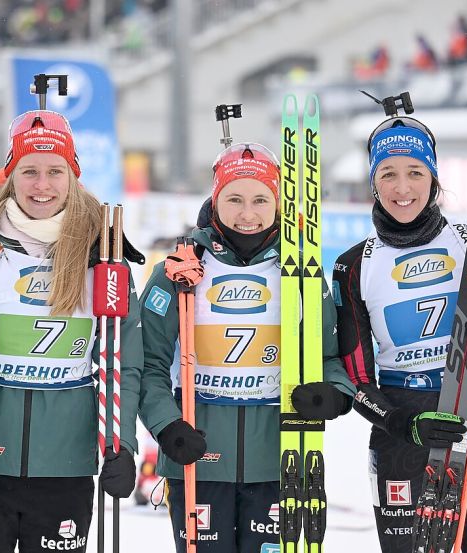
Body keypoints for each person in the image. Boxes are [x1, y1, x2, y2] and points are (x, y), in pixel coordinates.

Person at [0, 108, 144, 552]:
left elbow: (124, 363)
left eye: (55, 171)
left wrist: (123, 444)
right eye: (29, 171)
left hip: (66, 466)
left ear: (72, 176)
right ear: (11, 175)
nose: (42, 185)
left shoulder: (104, 259)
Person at [333, 109, 467, 553]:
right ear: (373, 182)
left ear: (433, 178)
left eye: (415, 172)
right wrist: (402, 422)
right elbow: (354, 381)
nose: (402, 187)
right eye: (388, 174)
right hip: (403, 427)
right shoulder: (354, 265)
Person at [138, 141, 356, 553]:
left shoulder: (300, 273)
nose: (247, 213)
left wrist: (335, 395)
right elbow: (148, 363)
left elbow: (328, 357)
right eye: (234, 198)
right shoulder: (180, 269)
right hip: (197, 455)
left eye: (260, 199)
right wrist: (167, 426)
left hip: (279, 459)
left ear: (277, 204)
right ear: (215, 199)